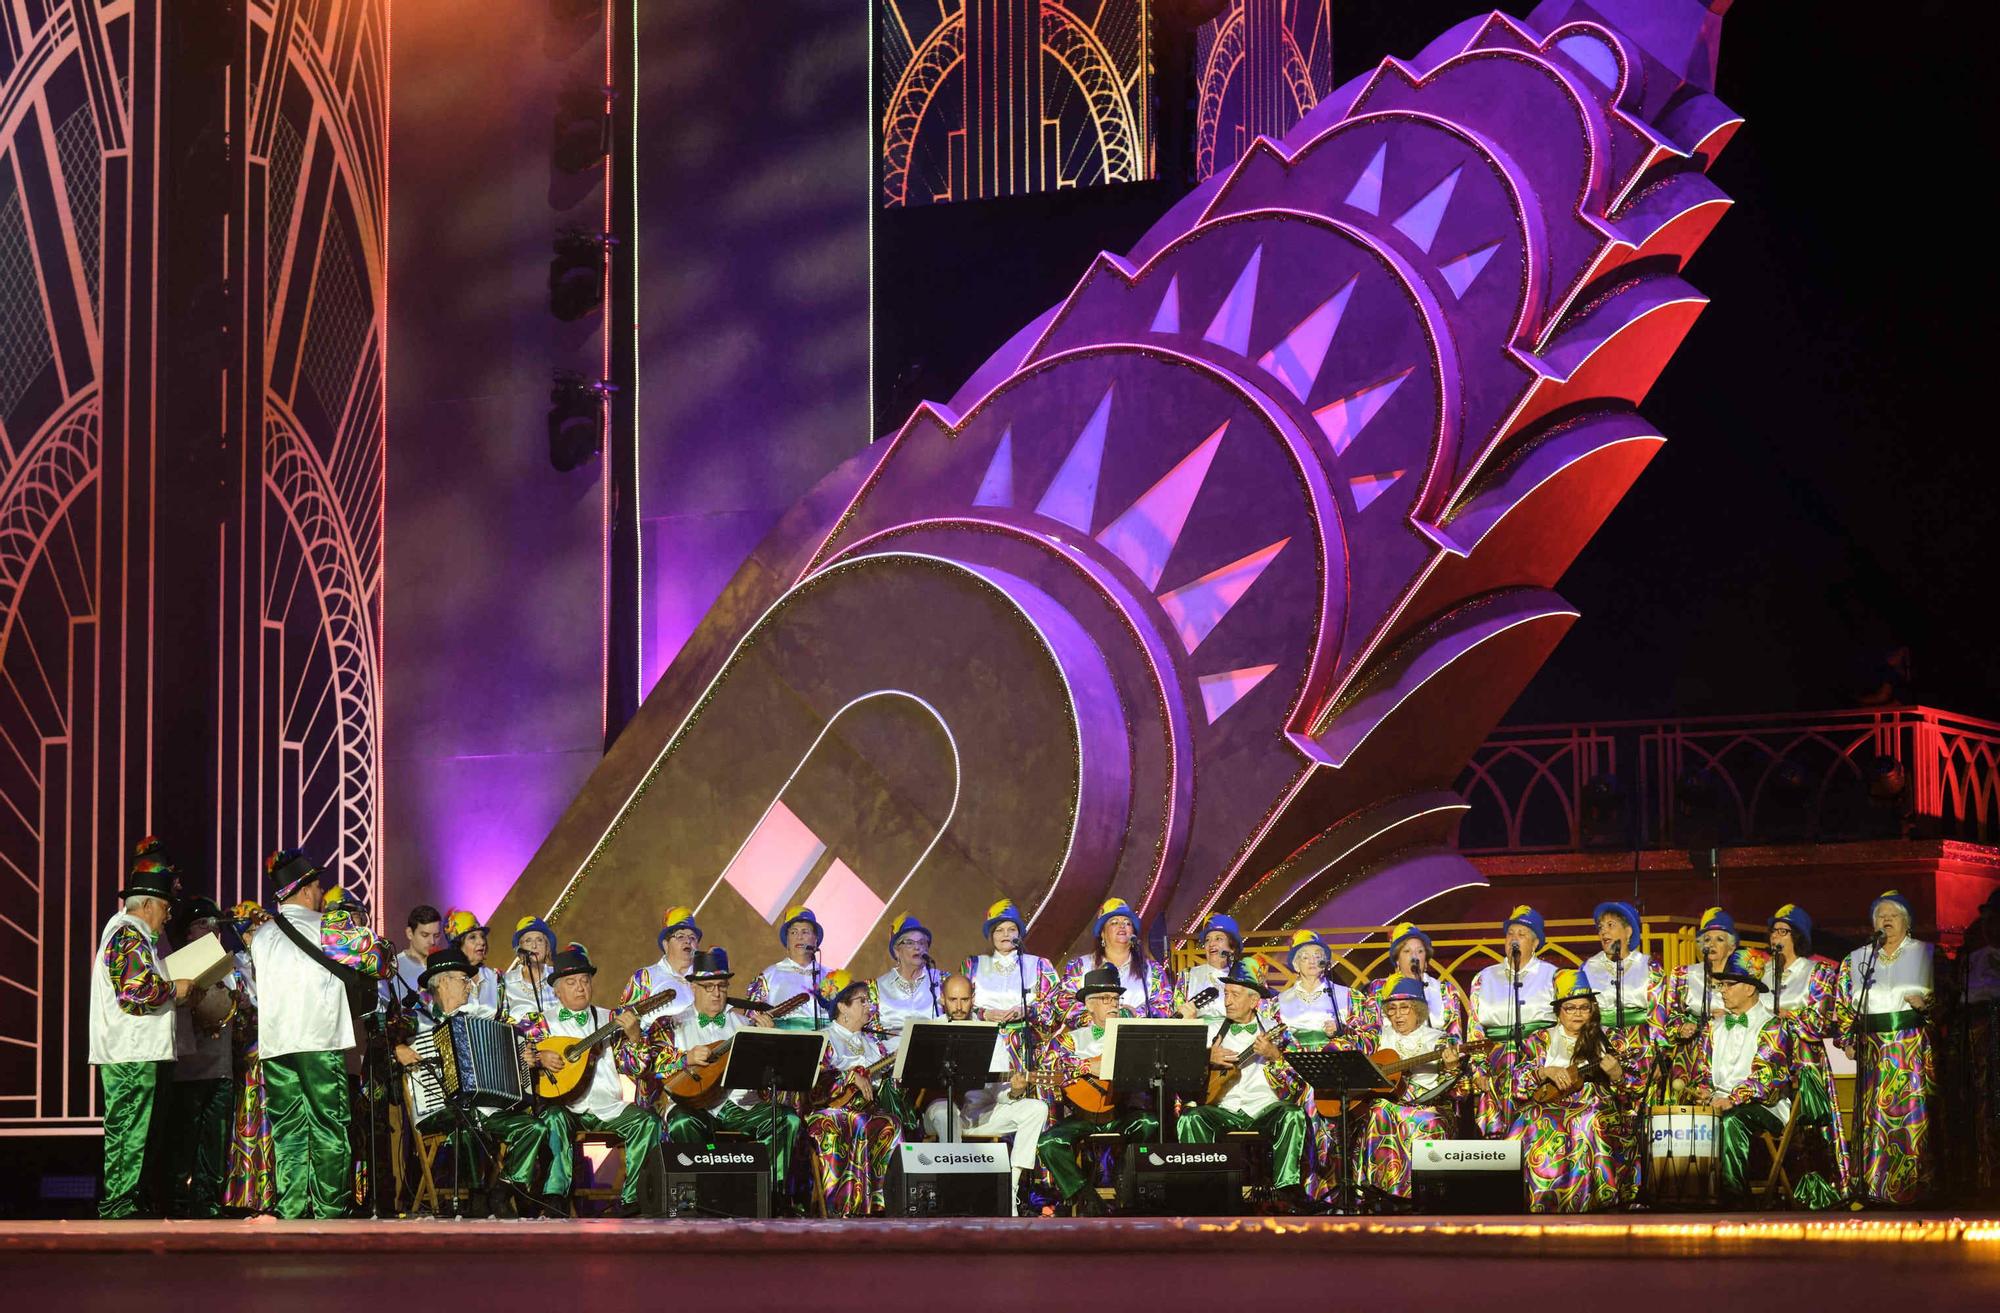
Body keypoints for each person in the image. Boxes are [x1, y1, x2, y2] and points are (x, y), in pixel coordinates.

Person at [249, 848, 393, 1218]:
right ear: (307, 890)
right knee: (329, 1126)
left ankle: (292, 1209)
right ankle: (330, 1211)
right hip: (319, 1040)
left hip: (277, 1045)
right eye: (317, 886)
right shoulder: (329, 927)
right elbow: (377, 958)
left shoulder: (262, 936)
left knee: (289, 1129)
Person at [394, 945, 569, 1216]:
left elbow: (506, 1050)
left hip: (483, 1110)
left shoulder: (476, 1021)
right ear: (442, 982)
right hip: (437, 1108)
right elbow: (382, 1046)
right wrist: (398, 1050)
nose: (470, 986)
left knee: (533, 1128)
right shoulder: (415, 1021)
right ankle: (476, 1196)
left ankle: (502, 1189)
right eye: (464, 980)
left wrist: (525, 1056)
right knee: (466, 1124)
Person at [656, 948, 807, 1212]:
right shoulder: (673, 1024)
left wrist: (767, 1041)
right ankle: (694, 1201)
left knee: (787, 1118)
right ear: (693, 987)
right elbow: (654, 1066)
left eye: (721, 986)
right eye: (708, 986)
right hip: (695, 1106)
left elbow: (768, 1074)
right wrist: (686, 1058)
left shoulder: (743, 1024)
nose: (716, 993)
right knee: (681, 1122)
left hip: (740, 1107)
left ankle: (770, 1195)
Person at [88, 862, 200, 1217]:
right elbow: (134, 990)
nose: (167, 917)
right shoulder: (127, 932)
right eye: (166, 907)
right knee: (129, 1138)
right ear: (148, 904)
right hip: (131, 1055)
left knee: (143, 1138)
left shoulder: (134, 936)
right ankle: (118, 1207)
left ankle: (130, 1204)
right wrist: (173, 988)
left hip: (142, 1053)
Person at [518, 943, 663, 1216]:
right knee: (552, 1119)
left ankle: (633, 1200)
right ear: (557, 990)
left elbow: (637, 1067)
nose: (580, 987)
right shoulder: (539, 1022)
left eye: (585, 981)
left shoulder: (611, 1018)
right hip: (564, 1105)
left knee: (649, 1123)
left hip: (607, 1106)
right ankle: (554, 1198)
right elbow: (515, 1056)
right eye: (571, 982)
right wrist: (539, 1056)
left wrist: (634, 1036)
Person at [1690, 949, 1839, 1207]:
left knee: (1732, 1119)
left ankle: (1734, 1199)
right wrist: (1703, 1090)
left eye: (1727, 985)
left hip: (1764, 1106)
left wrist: (1733, 1099)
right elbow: (1702, 1071)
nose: (1722, 991)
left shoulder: (1772, 1026)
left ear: (1749, 989)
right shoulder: (1712, 1028)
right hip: (1719, 1102)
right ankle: (1690, 1194)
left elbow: (1766, 1078)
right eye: (1720, 985)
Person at [1176, 960, 1315, 1212]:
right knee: (1191, 1118)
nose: (1227, 1001)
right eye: (1226, 994)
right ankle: (1204, 1193)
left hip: (1264, 1110)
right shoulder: (1210, 1030)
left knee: (1293, 1114)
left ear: (1254, 1001)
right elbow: (1180, 1075)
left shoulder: (1277, 1031)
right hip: (1224, 1110)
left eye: (1235, 995)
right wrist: (1206, 1057)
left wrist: (1275, 1056)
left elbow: (1297, 1085)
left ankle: (1286, 1193)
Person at [1037, 964, 1162, 1215]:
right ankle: (1084, 1195)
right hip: (1082, 1117)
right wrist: (1086, 1065)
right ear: (1089, 1005)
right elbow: (1047, 1064)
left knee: (1149, 1125)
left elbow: (1152, 1064)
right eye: (1105, 999)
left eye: (1116, 998)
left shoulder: (1134, 1034)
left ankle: (1126, 1180)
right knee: (1049, 1142)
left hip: (1121, 1114)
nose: (1113, 1004)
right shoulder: (1072, 1037)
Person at [1838, 889, 1936, 1206]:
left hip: (1911, 1049)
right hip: (1872, 1050)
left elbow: (1948, 1001)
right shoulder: (1857, 959)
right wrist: (1848, 1040)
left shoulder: (1926, 953)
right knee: (1872, 1120)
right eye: (1881, 915)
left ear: (1906, 921)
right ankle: (1873, 1188)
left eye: (1893, 915)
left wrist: (1927, 1006)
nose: (1887, 920)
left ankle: (1913, 1189)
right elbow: (1842, 1008)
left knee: (1910, 1118)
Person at [1506, 968, 1632, 1213]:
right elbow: (1517, 1081)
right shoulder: (1540, 1039)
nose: (1578, 1014)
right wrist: (1545, 1072)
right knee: (1530, 1120)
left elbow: (1633, 1088)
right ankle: (1537, 1200)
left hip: (1591, 1102)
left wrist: (1617, 1074)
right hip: (1548, 1104)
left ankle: (1589, 1202)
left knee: (1587, 1121)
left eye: (1584, 1007)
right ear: (1558, 1011)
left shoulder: (1609, 1039)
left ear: (1592, 1010)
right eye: (1570, 1008)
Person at [925, 973, 1050, 1215]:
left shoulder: (990, 1035)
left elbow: (998, 1092)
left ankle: (1010, 1188)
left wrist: (1013, 1091)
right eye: (953, 1000)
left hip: (980, 1114)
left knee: (1037, 1108)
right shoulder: (930, 1030)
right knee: (945, 1112)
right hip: (941, 1111)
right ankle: (954, 1192)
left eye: (964, 999)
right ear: (942, 999)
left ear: (973, 999)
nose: (959, 1006)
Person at [1763, 904, 1852, 1198]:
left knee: (1809, 1128)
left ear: (1797, 936)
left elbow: (1821, 1021)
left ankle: (1818, 1189)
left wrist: (1787, 1017)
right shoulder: (1762, 973)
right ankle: (1774, 1187)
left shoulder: (1817, 972)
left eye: (1783, 931)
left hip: (1803, 1061)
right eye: (1774, 930)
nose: (1776, 936)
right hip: (1766, 1061)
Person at [1351, 974, 1462, 1209]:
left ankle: (1428, 1196)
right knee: (1379, 1110)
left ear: (1419, 1010)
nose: (1398, 1015)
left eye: (1404, 1008)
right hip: (1390, 1104)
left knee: (1430, 1119)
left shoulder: (1439, 1039)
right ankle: (1380, 1194)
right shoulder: (1378, 1039)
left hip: (1428, 1105)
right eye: (1391, 1009)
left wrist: (1452, 1069)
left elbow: (1459, 1092)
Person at [802, 970, 905, 1217]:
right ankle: (844, 1204)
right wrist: (849, 1076)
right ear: (842, 1006)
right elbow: (815, 1082)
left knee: (892, 1123)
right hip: (828, 1111)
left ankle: (884, 1203)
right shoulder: (824, 1039)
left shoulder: (872, 1042)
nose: (869, 1006)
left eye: (869, 1000)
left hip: (865, 1109)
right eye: (862, 1000)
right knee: (857, 1121)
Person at [163, 898, 237, 1218]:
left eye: (214, 923)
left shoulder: (233, 965)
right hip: (188, 1066)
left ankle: (207, 1198)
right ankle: (176, 1197)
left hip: (221, 1066)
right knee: (183, 1138)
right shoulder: (175, 964)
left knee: (215, 1138)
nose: (209, 928)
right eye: (201, 923)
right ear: (187, 932)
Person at [1579, 901, 1658, 1204]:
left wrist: (1659, 1053)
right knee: (1609, 1114)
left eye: (1610, 925)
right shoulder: (1589, 967)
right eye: (1600, 926)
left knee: (1639, 1114)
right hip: (1602, 1045)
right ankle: (1610, 1187)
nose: (1603, 931)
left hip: (1641, 1044)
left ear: (1628, 931)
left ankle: (1641, 1188)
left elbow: (1659, 1010)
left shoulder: (1648, 965)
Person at [1468, 905, 1557, 1137]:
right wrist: (1479, 1070)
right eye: (1510, 934)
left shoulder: (1553, 976)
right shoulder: (1484, 977)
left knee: (1536, 1129)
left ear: (1536, 942)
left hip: (1539, 1061)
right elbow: (1475, 1030)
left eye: (1522, 934)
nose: (1514, 939)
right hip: (1496, 1062)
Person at [1651, 905, 1739, 1098]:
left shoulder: (1742, 979)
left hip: (1728, 1053)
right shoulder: (1684, 974)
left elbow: (1752, 1014)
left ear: (1731, 947)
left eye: (1719, 939)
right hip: (1690, 1058)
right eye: (1707, 939)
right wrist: (1682, 1026)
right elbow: (1671, 1016)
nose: (1711, 944)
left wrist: (1728, 1017)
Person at [962, 899, 1058, 1075]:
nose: (1005, 934)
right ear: (991, 935)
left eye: (1011, 929)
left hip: (1026, 1049)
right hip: (983, 1045)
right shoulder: (973, 965)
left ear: (1019, 934)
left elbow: (1054, 1008)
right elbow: (958, 1007)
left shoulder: (1039, 965)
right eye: (999, 930)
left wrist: (1026, 1011)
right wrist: (984, 1014)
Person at [222, 902, 276, 1214]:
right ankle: (247, 1196)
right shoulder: (235, 967)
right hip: (252, 1057)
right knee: (250, 1124)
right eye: (253, 931)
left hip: (279, 1052)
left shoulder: (277, 962)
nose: (257, 935)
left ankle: (277, 1193)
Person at [1051, 898, 1175, 1030]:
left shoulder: (1152, 970)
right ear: (1102, 934)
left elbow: (1164, 1005)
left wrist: (1131, 1015)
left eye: (1128, 923)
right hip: (1091, 1043)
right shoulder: (1080, 966)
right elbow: (1063, 1002)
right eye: (1114, 922)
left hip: (1138, 1039)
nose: (1122, 926)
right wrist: (1097, 1019)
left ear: (1133, 933)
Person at [619, 905, 701, 1104]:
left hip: (702, 1072)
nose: (687, 942)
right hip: (660, 1078)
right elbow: (623, 1031)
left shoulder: (705, 979)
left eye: (692, 937)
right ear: (665, 944)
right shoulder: (645, 978)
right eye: (680, 936)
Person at [1362, 923, 1463, 1041]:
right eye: (1407, 951)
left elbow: (1454, 1037)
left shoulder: (1444, 990)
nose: (1414, 956)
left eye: (1420, 951)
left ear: (1426, 959)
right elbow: (1370, 1034)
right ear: (1397, 960)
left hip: (1435, 1056)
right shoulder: (1377, 989)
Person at [871, 913, 945, 1051]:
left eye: (922, 942)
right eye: (910, 943)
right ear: (897, 951)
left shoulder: (942, 980)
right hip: (891, 1060)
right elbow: (869, 1036)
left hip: (934, 1053)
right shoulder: (876, 988)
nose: (917, 948)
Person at [748, 905, 830, 1030]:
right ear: (787, 940)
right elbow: (751, 1019)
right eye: (793, 932)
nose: (799, 937)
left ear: (815, 939)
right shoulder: (769, 976)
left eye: (805, 932)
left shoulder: (830, 977)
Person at [1176, 913, 1243, 1020]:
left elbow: (1263, 1015)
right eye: (1207, 940)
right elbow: (1176, 1013)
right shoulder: (1188, 976)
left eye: (1218, 939)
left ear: (1232, 947)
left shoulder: (1247, 976)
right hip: (1198, 1033)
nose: (1211, 944)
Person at [500, 915, 560, 1025]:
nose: (534, 946)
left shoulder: (559, 976)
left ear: (547, 948)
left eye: (540, 940)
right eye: (528, 941)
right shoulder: (506, 982)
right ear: (520, 949)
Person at [385, 905, 442, 1013]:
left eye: (437, 935)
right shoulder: (394, 967)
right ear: (410, 933)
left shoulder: (445, 967)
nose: (432, 942)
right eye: (425, 935)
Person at [442, 909, 502, 1012]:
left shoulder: (496, 978)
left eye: (482, 936)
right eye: (472, 937)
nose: (482, 942)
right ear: (458, 946)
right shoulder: (445, 981)